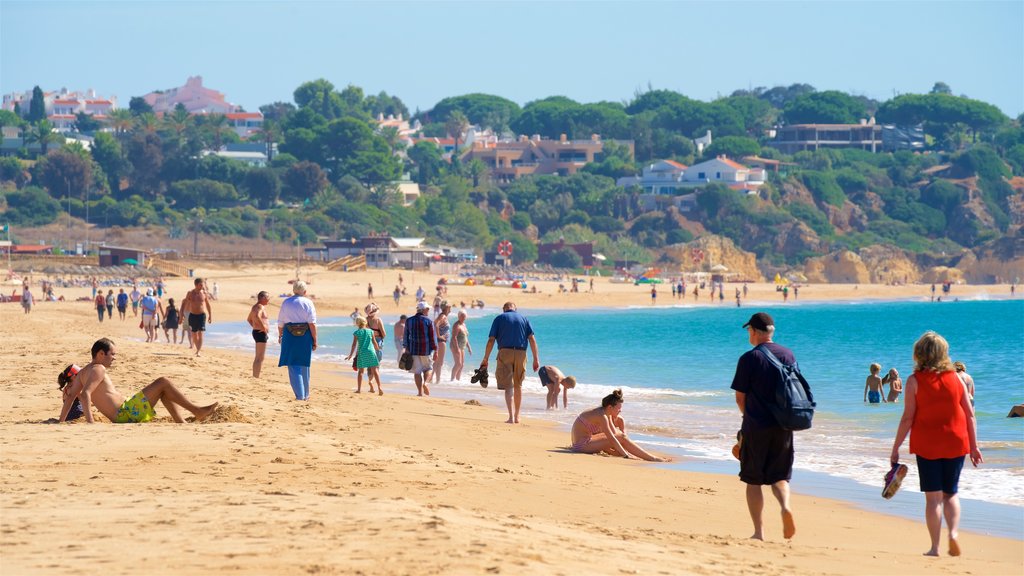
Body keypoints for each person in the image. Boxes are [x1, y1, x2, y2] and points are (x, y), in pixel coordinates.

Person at [889, 331, 982, 557]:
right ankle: (954, 534)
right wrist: (974, 445)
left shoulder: (914, 381)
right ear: (944, 354)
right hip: (956, 441)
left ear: (918, 353)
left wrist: (895, 447)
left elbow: (907, 418)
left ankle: (935, 547)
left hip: (927, 444)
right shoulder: (958, 379)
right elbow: (970, 415)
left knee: (933, 498)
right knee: (951, 494)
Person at [731, 311, 799, 540]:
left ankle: (759, 532)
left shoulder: (749, 358)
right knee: (780, 477)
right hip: (784, 426)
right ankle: (785, 506)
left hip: (756, 426)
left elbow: (740, 398)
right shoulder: (788, 355)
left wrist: (748, 418)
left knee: (753, 480)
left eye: (749, 330)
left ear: (755, 331)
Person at [57, 338, 218, 424]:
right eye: (112, 354)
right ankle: (197, 411)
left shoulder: (83, 372)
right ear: (100, 354)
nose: (114, 358)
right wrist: (90, 422)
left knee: (162, 390)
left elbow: (71, 397)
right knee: (163, 381)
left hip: (124, 413)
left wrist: (61, 422)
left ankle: (181, 421)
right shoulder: (98, 369)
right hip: (125, 414)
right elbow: (85, 395)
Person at [479, 301, 540, 424]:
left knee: (508, 386)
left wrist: (485, 358)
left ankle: (511, 417)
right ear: (515, 309)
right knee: (518, 385)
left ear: (504, 309)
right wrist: (536, 359)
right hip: (521, 353)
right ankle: (517, 416)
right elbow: (532, 340)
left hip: (504, 352)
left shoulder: (499, 318)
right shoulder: (524, 319)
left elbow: (491, 340)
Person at [569, 389, 665, 461]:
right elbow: (612, 438)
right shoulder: (602, 416)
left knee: (620, 435)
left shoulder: (606, 412)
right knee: (621, 437)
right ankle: (652, 458)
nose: (620, 410)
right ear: (610, 407)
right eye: (618, 408)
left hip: (583, 442)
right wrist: (626, 455)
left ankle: (643, 456)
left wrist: (624, 450)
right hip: (581, 445)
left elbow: (615, 433)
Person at [278, 281, 317, 401]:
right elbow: (312, 323)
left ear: (293, 290)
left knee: (293, 365)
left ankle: (300, 395)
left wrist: (280, 336)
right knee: (305, 364)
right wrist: (315, 340)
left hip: (289, 335)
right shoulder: (308, 302)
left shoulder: (286, 302)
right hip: (305, 335)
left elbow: (280, 323)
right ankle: (306, 395)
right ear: (305, 292)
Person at [403, 301, 437, 396]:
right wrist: (436, 350)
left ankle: (419, 392)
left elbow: (406, 335)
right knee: (428, 368)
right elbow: (432, 337)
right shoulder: (429, 321)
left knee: (417, 372)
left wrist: (406, 347)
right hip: (426, 350)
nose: (429, 311)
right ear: (424, 310)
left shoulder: (409, 320)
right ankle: (426, 383)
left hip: (413, 350)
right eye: (428, 309)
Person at [346, 316, 382, 395]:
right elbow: (375, 342)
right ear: (365, 322)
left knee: (361, 372)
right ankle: (379, 388)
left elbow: (354, 345)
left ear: (357, 323)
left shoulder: (357, 333)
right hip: (371, 352)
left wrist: (350, 355)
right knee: (375, 370)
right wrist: (378, 350)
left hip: (362, 353)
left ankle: (359, 389)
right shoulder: (370, 331)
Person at [183, 277, 213, 357]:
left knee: (200, 333)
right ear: (196, 285)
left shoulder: (204, 293)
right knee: (194, 334)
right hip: (192, 315)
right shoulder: (190, 293)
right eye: (201, 285)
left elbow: (208, 304)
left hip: (202, 315)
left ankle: (198, 351)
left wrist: (210, 315)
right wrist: (182, 314)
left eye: (202, 285)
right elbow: (185, 302)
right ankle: (197, 349)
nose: (202, 286)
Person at [247, 291, 270, 378]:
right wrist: (263, 327)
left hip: (257, 332)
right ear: (263, 298)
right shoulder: (260, 307)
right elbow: (257, 316)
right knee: (260, 357)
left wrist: (256, 327)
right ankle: (256, 376)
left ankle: (255, 376)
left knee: (258, 357)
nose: (269, 299)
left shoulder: (255, 307)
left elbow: (249, 319)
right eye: (268, 297)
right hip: (260, 333)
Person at [450, 309, 472, 381]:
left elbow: (465, 337)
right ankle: (452, 380)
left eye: (464, 316)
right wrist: (457, 349)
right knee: (458, 364)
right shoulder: (456, 325)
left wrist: (469, 347)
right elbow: (454, 337)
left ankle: (458, 380)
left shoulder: (464, 325)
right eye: (462, 316)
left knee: (462, 365)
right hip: (455, 345)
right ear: (458, 316)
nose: (463, 318)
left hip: (462, 346)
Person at [433, 301, 451, 385]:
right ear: (446, 308)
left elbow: (434, 322)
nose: (450, 308)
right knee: (440, 362)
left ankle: (431, 378)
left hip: (440, 341)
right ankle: (437, 380)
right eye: (449, 307)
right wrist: (439, 336)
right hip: (441, 341)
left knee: (437, 361)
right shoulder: (443, 316)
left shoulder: (442, 315)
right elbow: (436, 324)